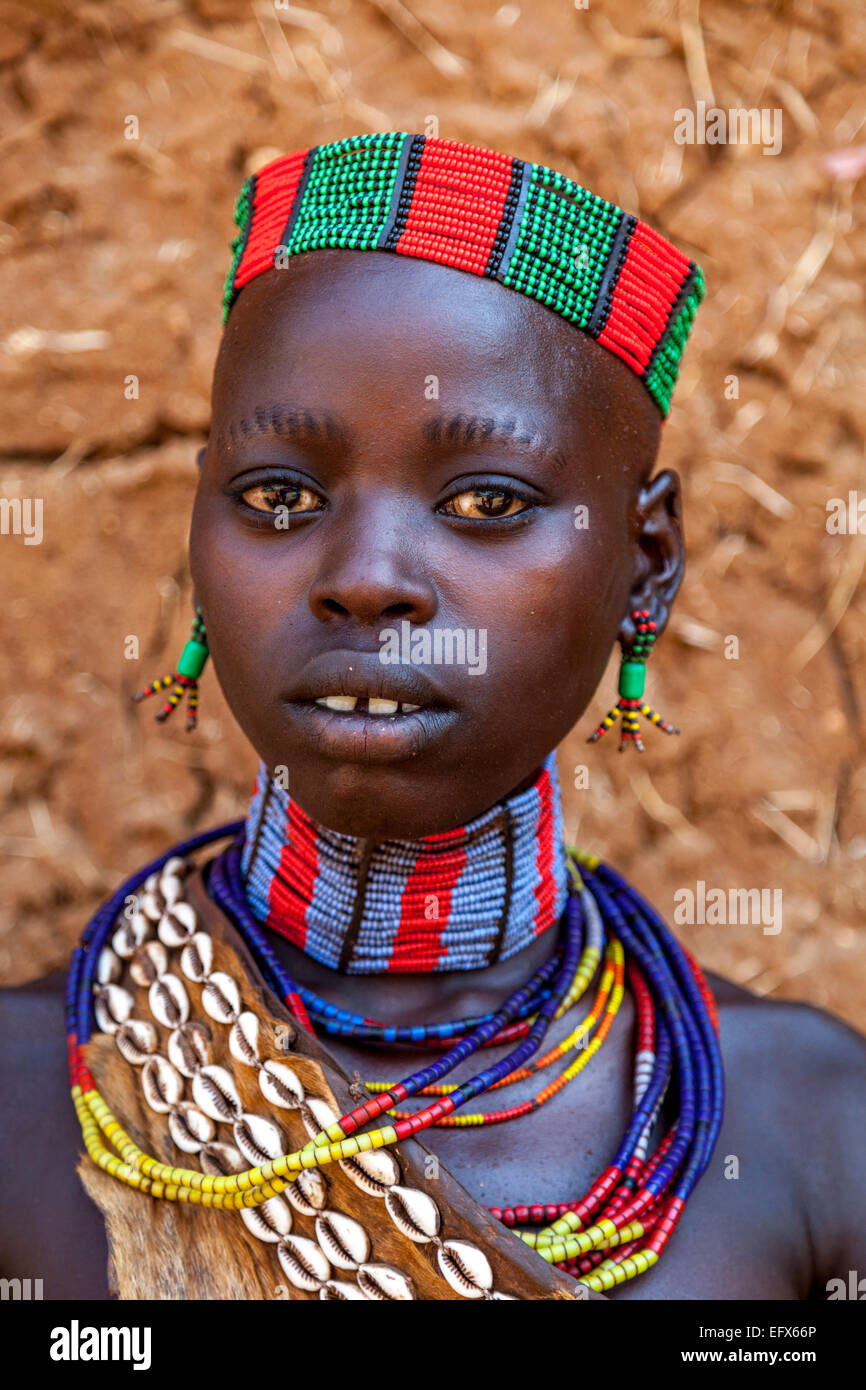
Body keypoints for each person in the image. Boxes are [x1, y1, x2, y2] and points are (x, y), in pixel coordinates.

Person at [2, 133, 864, 1302]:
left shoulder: (806, 1129)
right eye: (279, 496)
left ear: (644, 563)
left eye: (484, 500)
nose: (364, 577)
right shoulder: (26, 1096)